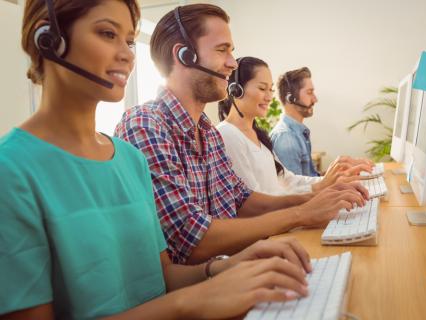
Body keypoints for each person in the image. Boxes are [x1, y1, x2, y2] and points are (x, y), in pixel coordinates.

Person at [0, 1, 320, 318]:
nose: (127, 54)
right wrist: (195, 300)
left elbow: (162, 278)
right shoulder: (11, 169)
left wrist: (231, 266)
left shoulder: (128, 159)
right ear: (47, 39)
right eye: (107, 33)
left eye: (128, 40)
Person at [114, 4, 368, 265]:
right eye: (222, 50)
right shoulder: (146, 125)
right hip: (203, 289)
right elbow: (191, 239)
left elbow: (240, 199)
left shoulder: (208, 132)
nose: (232, 63)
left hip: (233, 272)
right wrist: (302, 213)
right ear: (184, 55)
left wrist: (316, 199)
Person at [217, 56, 372, 196]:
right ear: (236, 90)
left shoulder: (257, 134)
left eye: (270, 90)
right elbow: (256, 202)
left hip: (282, 219)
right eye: (262, 88)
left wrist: (329, 181)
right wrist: (322, 188)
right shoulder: (228, 135)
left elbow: (288, 180)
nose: (270, 97)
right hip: (273, 224)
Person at [271, 67, 374, 177]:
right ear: (290, 98)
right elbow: (296, 191)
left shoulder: (297, 133)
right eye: (309, 92)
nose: (315, 99)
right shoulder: (287, 138)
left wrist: (343, 171)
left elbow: (310, 180)